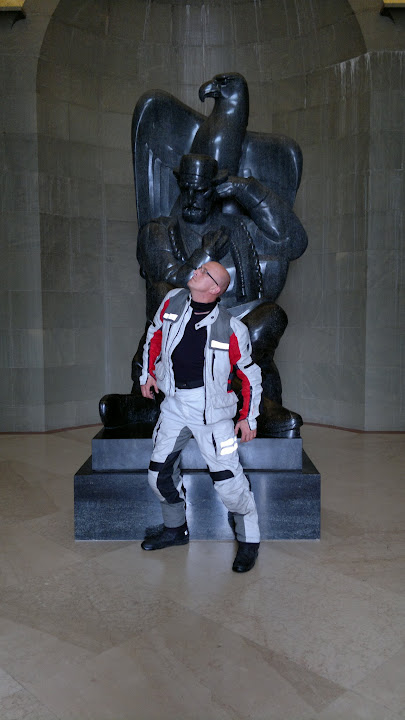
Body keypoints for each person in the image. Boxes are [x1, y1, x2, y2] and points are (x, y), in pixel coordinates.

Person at [139, 259, 262, 573]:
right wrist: (147, 374)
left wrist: (248, 417)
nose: (197, 271)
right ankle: (175, 529)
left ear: (215, 288)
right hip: (174, 404)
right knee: (158, 476)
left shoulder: (232, 328)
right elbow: (155, 335)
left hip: (213, 414)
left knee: (229, 483)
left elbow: (249, 375)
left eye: (205, 272)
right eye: (200, 268)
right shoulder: (173, 301)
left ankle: (249, 540)